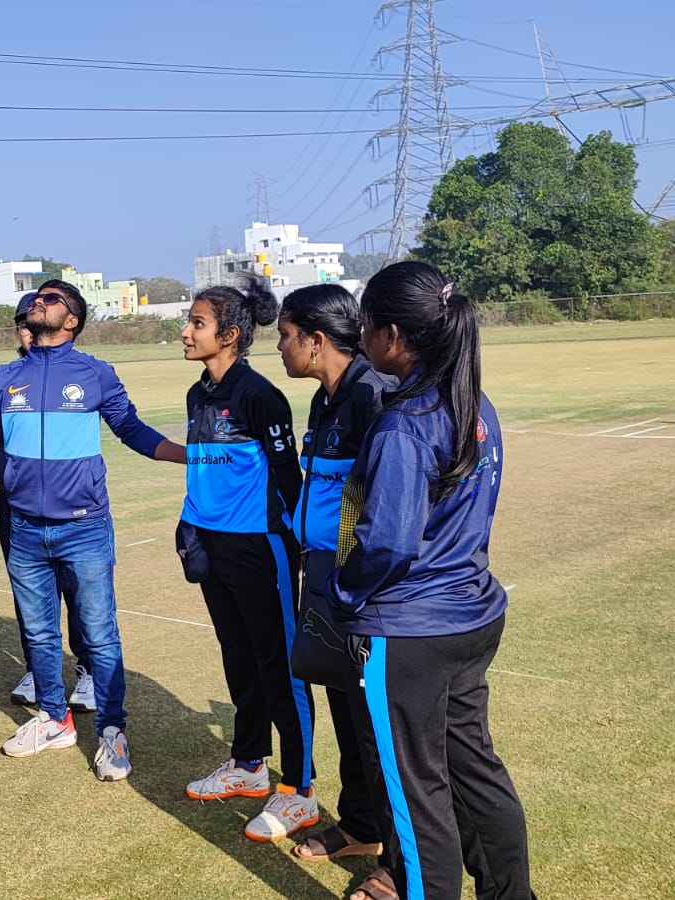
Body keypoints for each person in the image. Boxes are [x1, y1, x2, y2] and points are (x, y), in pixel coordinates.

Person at [331, 260, 535, 900]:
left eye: (365, 326)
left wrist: (344, 593)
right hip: (470, 615)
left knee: (417, 801)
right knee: (474, 773)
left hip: (411, 633)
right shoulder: (476, 405)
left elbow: (387, 542)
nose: (361, 338)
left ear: (392, 335)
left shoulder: (405, 424)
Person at [0, 279, 185, 782]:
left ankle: (112, 731)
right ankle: (54, 719)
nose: (38, 302)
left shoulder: (96, 373)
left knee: (98, 634)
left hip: (84, 528)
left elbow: (132, 430)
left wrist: (186, 455)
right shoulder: (5, 375)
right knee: (37, 632)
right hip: (26, 530)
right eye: (35, 299)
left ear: (71, 319)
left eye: (49, 299)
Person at [175, 279, 317, 843]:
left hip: (263, 550)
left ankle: (300, 790)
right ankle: (249, 763)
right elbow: (204, 470)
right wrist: (190, 526)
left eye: (197, 323)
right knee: (238, 659)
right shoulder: (196, 395)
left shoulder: (261, 397)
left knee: (280, 666)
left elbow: (289, 481)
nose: (185, 332)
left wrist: (291, 544)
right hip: (212, 548)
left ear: (229, 336)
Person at [276, 284, 399, 897]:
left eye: (285, 335)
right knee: (345, 707)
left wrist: (358, 580)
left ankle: (401, 865)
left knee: (380, 720)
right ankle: (360, 825)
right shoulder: (326, 401)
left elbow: (389, 506)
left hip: (363, 583)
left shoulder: (374, 397)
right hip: (320, 575)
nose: (279, 346)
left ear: (316, 340)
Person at [0, 293, 95, 712]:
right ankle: (37, 668)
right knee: (29, 597)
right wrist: (11, 472)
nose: (29, 333)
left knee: (77, 594)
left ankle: (87, 672)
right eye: (23, 326)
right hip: (18, 506)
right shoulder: (7, 378)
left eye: (34, 324)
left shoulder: (80, 373)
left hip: (71, 510)